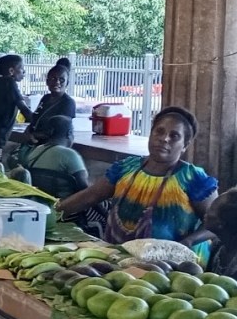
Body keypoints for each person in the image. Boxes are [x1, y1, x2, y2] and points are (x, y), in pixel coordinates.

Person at [58, 106, 218, 261]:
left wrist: (187, 243)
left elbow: (216, 223)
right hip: (120, 260)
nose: (164, 139)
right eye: (159, 131)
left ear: (185, 145)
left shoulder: (193, 178)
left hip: (173, 268)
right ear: (151, 133)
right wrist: (52, 213)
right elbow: (90, 196)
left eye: (174, 136)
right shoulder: (126, 168)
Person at [9, 115, 89, 201]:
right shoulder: (70, 154)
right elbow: (84, 188)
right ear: (69, 133)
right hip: (67, 207)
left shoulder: (36, 150)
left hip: (39, 204)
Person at [27, 61, 78, 140]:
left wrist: (34, 135)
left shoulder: (68, 102)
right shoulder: (45, 98)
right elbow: (35, 118)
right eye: (53, 78)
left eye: (62, 80)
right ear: (47, 82)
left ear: (67, 83)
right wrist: (29, 131)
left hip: (52, 144)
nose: (57, 82)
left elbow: (61, 131)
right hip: (35, 141)